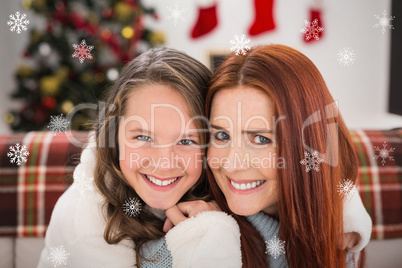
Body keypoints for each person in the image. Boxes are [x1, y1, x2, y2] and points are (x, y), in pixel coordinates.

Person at [37, 47, 242, 267]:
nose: (163, 163)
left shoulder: (219, 182)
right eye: (143, 137)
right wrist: (205, 234)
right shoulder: (85, 218)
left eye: (185, 141)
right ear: (114, 135)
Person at [200, 44, 372, 267]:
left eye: (261, 139)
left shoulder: (340, 228)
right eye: (221, 135)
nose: (232, 164)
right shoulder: (195, 224)